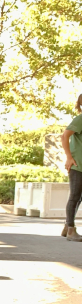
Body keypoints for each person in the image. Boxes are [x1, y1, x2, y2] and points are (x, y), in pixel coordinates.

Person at [62, 95, 82, 242]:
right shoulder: (80, 119)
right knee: (74, 196)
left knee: (79, 197)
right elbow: (64, 136)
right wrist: (69, 157)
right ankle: (70, 230)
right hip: (77, 165)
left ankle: (67, 225)